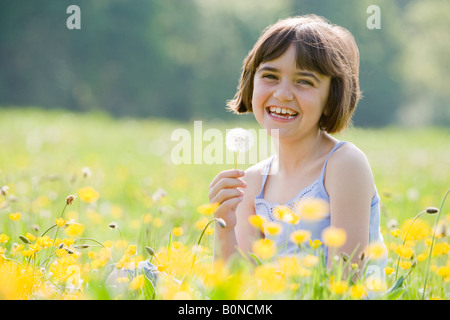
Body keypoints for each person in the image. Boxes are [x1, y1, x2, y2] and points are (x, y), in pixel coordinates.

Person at [209, 15, 386, 275]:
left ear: (331, 98)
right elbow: (238, 290)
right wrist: (224, 224)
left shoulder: (344, 165)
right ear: (251, 82)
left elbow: (345, 284)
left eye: (304, 81)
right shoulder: (252, 183)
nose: (282, 94)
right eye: (270, 75)